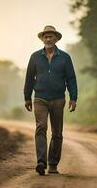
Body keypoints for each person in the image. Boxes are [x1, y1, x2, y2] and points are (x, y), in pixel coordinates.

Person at [24, 25, 78, 175]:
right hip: (40, 98)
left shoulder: (65, 58)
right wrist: (27, 97)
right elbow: (29, 77)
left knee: (57, 133)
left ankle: (53, 164)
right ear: (42, 39)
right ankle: (41, 161)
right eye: (45, 36)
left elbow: (71, 79)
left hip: (58, 99)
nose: (48, 39)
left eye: (51, 36)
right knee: (41, 127)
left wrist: (73, 98)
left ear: (56, 39)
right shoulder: (35, 57)